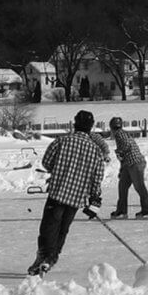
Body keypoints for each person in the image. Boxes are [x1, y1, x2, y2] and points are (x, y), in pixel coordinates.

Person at [28, 110, 105, 276]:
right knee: (63, 229)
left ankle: (43, 257)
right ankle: (51, 258)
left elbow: (47, 162)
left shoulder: (61, 141)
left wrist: (59, 169)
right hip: (76, 197)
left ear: (74, 124)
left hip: (57, 193)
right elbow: (97, 178)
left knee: (48, 227)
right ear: (90, 128)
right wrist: (94, 198)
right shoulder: (96, 150)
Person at [108, 116, 148, 219]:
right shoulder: (122, 133)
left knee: (139, 187)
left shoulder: (119, 134)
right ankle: (121, 211)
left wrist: (119, 151)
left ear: (112, 127)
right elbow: (124, 155)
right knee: (122, 186)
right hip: (129, 164)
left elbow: (126, 145)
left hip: (135, 163)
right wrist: (122, 168)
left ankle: (146, 210)